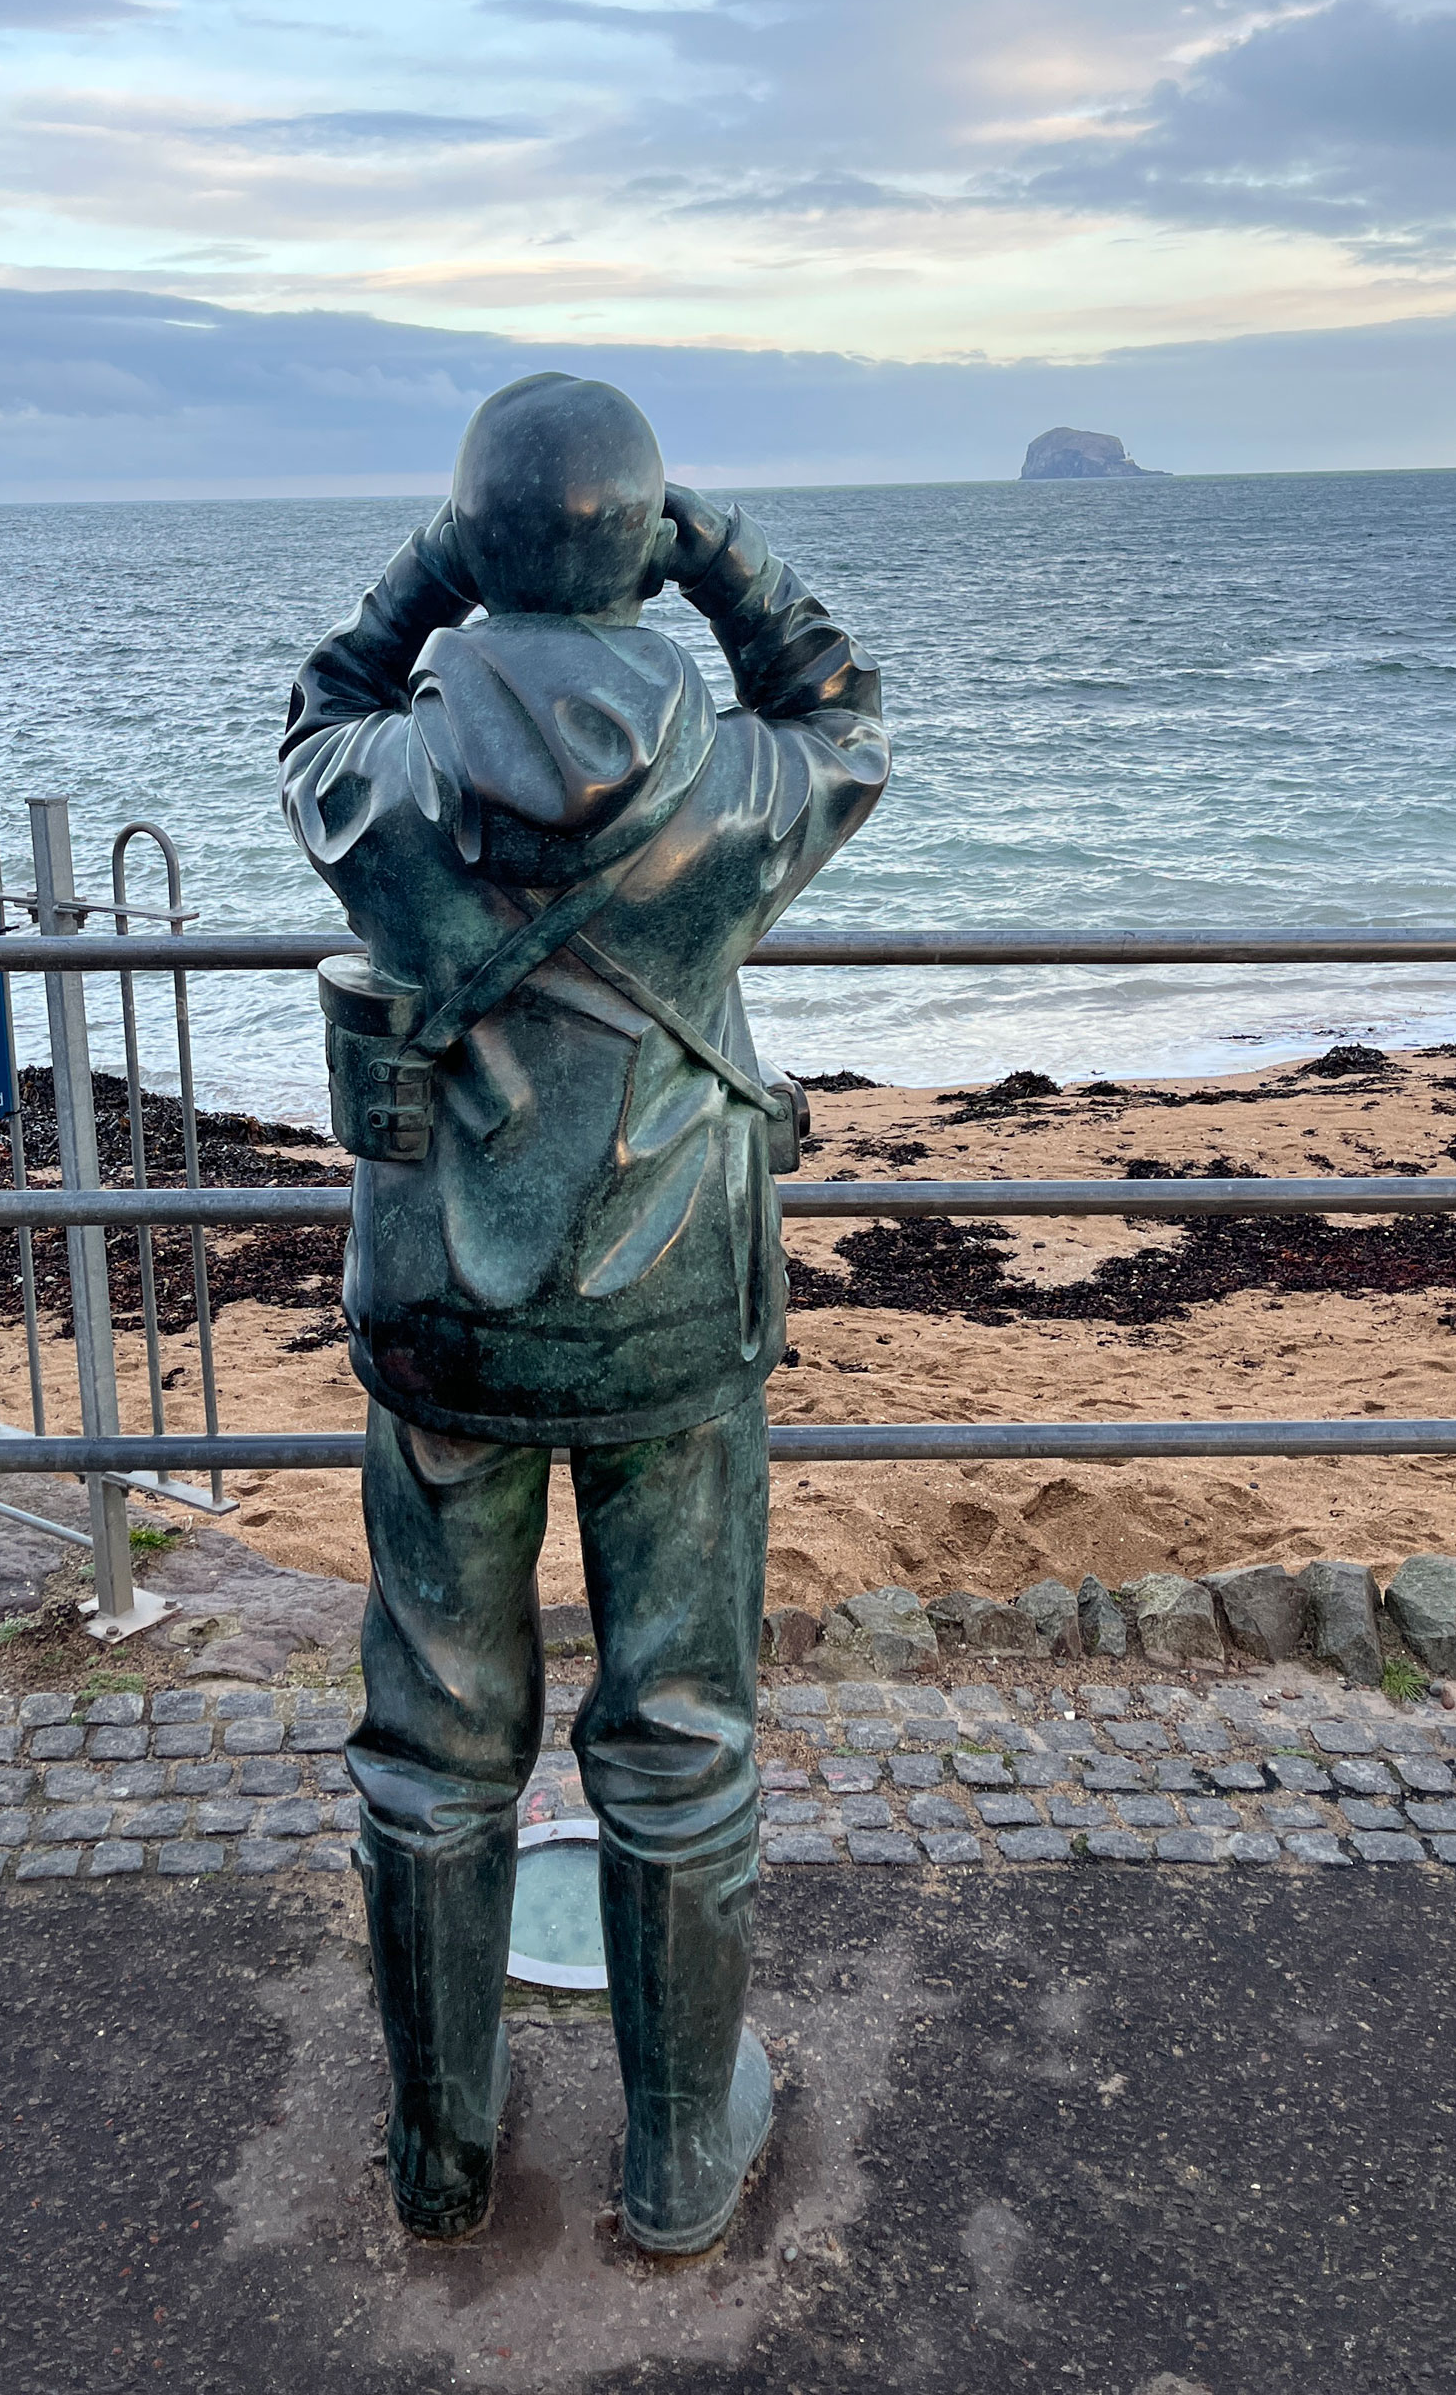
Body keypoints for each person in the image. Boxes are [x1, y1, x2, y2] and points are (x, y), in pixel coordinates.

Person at [280, 370, 888, 2253]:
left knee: (435, 1739)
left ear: (472, 550)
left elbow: (318, 707)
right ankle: (679, 2159)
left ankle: (442, 2160)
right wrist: (727, 561)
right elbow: (843, 710)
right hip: (672, 1327)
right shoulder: (735, 792)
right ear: (646, 547)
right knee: (680, 1727)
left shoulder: (386, 788)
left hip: (444, 1323)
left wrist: (422, 582)